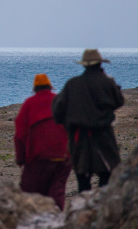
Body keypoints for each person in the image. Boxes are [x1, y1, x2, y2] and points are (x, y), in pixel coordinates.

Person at [52, 49, 125, 192]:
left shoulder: (72, 84)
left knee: (83, 178)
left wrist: (67, 125)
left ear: (84, 65)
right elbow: (119, 101)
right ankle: (102, 206)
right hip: (103, 136)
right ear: (99, 64)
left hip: (79, 138)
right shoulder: (106, 82)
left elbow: (58, 110)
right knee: (108, 172)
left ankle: (83, 209)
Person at [14, 73, 71, 209]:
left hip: (38, 157)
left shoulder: (29, 104)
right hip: (63, 157)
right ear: (50, 87)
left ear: (35, 89)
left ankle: (33, 224)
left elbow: (20, 135)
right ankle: (57, 221)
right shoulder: (60, 101)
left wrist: (21, 158)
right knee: (57, 192)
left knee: (29, 193)